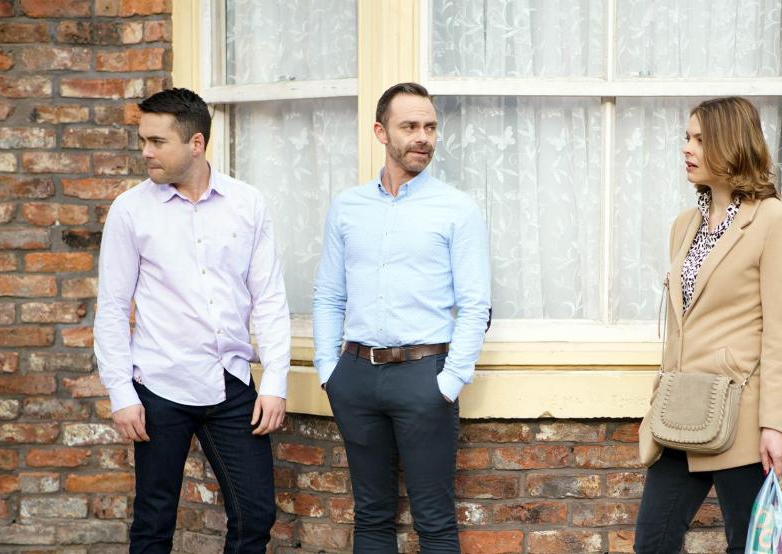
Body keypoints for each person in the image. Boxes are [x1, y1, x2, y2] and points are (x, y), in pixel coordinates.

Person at [94, 88, 290, 553]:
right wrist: (121, 393)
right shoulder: (130, 210)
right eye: (143, 139)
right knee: (154, 520)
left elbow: (269, 299)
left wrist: (276, 382)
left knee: (255, 513)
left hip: (232, 382)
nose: (145, 151)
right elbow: (113, 307)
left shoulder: (248, 203)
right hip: (161, 385)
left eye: (158, 141)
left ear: (196, 143)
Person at [313, 82, 491, 553]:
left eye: (430, 127)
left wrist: (449, 382)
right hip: (354, 376)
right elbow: (329, 295)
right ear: (380, 131)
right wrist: (328, 371)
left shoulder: (457, 209)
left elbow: (476, 305)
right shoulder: (347, 207)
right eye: (410, 126)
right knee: (370, 517)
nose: (423, 137)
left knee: (434, 520)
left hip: (424, 377)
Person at [633, 96, 782, 554]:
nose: (686, 148)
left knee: (747, 546)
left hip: (742, 419)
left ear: (730, 145)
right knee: (652, 542)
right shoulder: (684, 225)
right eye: (686, 138)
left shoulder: (777, 222)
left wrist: (775, 425)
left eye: (699, 139)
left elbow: (781, 333)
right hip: (681, 413)